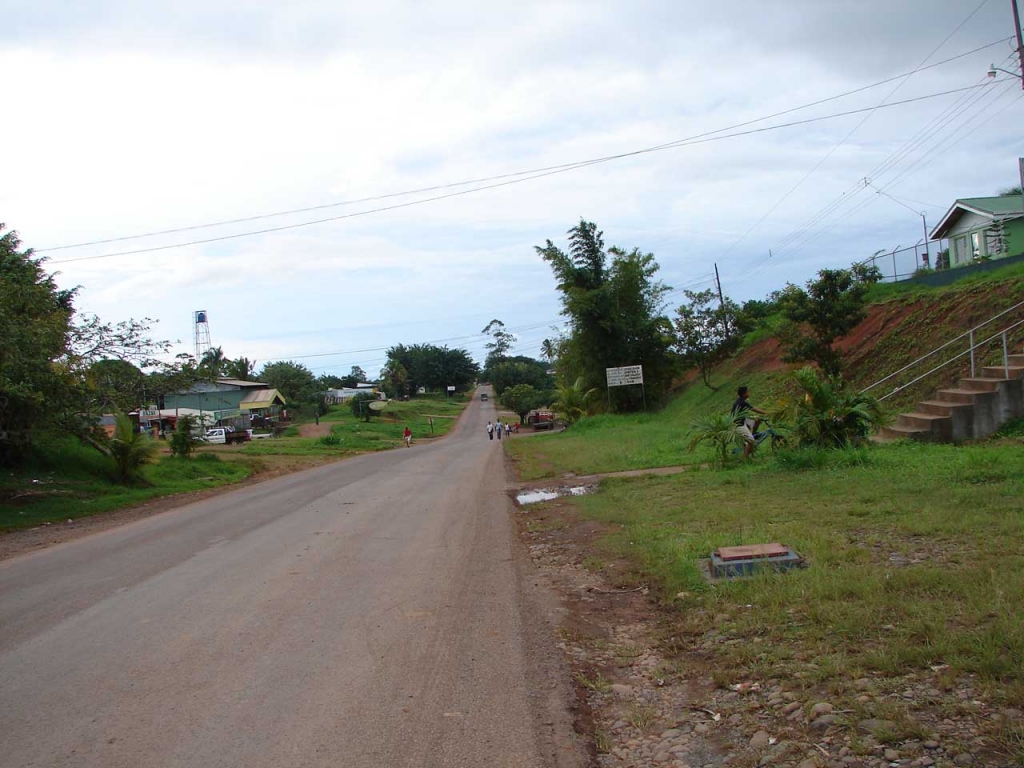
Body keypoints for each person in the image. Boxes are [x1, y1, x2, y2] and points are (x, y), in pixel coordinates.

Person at [731, 385, 767, 458]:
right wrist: (766, 412)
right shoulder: (742, 402)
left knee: (757, 419)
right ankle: (745, 459)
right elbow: (754, 409)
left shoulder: (740, 401)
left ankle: (752, 434)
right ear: (744, 394)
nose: (749, 393)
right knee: (751, 442)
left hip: (742, 421)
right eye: (748, 392)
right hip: (738, 425)